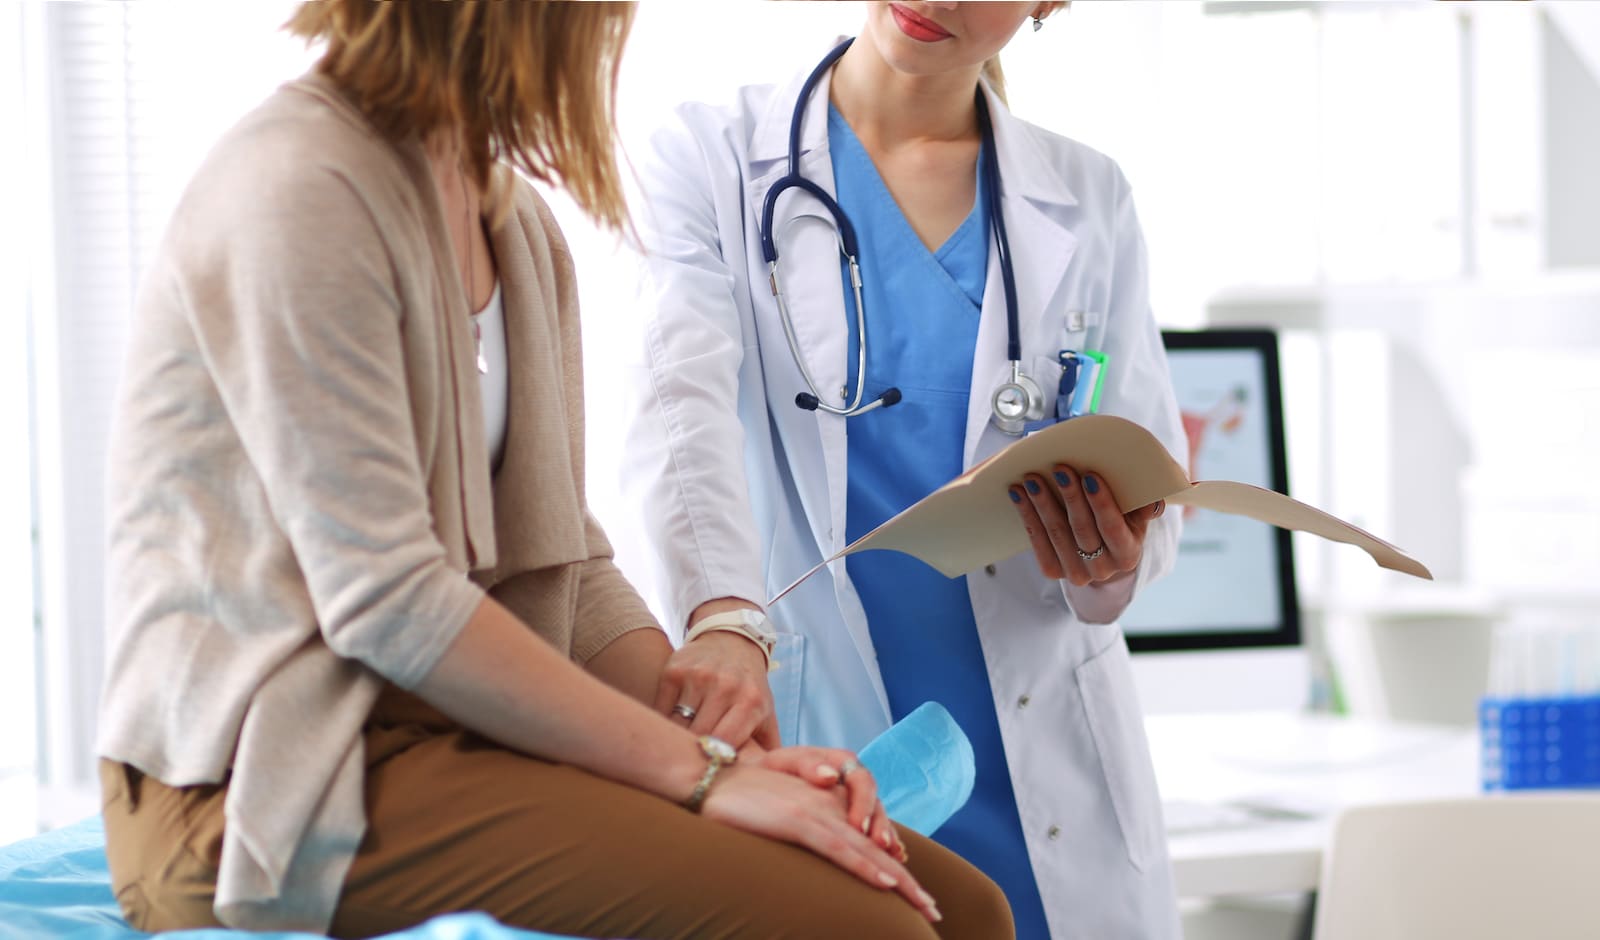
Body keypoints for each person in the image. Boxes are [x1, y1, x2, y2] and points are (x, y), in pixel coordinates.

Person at [93, 3, 1013, 938]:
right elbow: (388, 598)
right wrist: (696, 776)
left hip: (446, 742)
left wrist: (716, 742)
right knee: (875, 929)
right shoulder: (301, 187)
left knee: (966, 910)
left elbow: (565, 557)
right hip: (267, 784)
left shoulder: (514, 221)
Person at [622, 3, 1187, 937]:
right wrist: (721, 614)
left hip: (1046, 766)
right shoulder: (708, 156)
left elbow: (1147, 468)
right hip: (833, 733)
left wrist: (1114, 560)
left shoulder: (1088, 197)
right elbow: (674, 407)